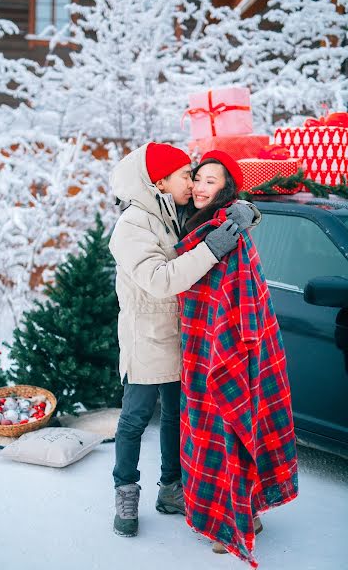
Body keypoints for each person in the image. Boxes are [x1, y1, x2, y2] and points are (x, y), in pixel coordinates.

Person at [108, 142, 259, 538]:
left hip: (184, 335)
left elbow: (217, 214)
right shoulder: (132, 225)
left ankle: (171, 488)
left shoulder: (173, 212)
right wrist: (212, 250)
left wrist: (248, 215)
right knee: (136, 418)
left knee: (178, 417)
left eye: (194, 175)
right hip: (147, 336)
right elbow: (159, 279)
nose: (192, 182)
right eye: (185, 175)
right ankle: (125, 491)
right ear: (160, 181)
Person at [176, 150, 299, 568]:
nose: (198, 186)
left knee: (227, 428)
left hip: (227, 347)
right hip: (199, 343)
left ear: (225, 188)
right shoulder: (200, 223)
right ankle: (232, 510)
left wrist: (228, 346)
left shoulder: (227, 230)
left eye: (210, 181)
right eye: (197, 178)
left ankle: (233, 520)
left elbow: (238, 292)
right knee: (209, 431)